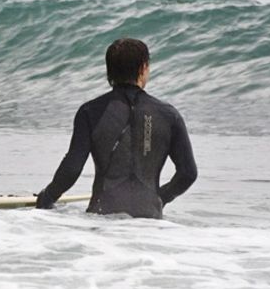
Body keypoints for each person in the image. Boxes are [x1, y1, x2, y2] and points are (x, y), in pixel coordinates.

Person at [35, 38, 197, 218]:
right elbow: (188, 173)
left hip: (103, 218)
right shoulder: (168, 115)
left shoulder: (90, 112)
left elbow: (72, 168)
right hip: (150, 223)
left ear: (109, 70)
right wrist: (159, 198)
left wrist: (47, 197)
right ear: (143, 68)